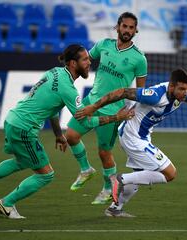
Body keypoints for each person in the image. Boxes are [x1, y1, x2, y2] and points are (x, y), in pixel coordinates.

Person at [0, 44, 134, 219]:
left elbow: (53, 108)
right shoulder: (68, 89)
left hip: (13, 121)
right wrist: (115, 118)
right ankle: (7, 204)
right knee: (46, 175)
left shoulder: (54, 72)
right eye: (84, 59)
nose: (89, 62)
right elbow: (85, 120)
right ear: (72, 63)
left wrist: (58, 135)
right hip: (24, 128)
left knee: (22, 162)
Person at [74, 68, 187, 217]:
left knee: (140, 177)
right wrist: (93, 107)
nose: (185, 93)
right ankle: (119, 179)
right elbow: (122, 92)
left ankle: (115, 209)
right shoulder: (155, 95)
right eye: (182, 89)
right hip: (133, 137)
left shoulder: (183, 95)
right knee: (170, 173)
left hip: (139, 136)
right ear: (172, 86)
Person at [66, 12, 147, 205]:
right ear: (117, 27)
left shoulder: (139, 58)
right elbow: (83, 63)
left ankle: (108, 187)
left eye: (131, 27)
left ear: (135, 31)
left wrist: (133, 112)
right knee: (70, 136)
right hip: (90, 102)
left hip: (114, 110)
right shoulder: (103, 45)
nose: (127, 30)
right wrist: (68, 82)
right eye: (124, 26)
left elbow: (141, 90)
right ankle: (86, 170)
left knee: (104, 153)